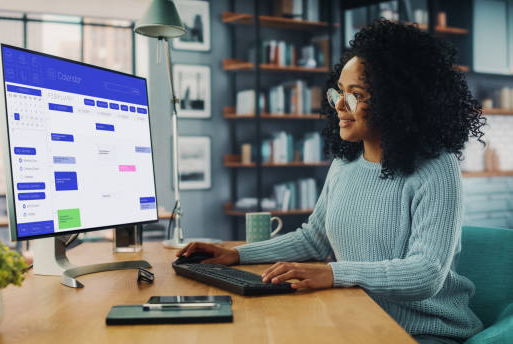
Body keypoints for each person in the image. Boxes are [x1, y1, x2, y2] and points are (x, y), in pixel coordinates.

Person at [177, 20, 486, 343]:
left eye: (356, 95)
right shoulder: (345, 161)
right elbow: (314, 239)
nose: (339, 105)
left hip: (425, 332)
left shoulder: (437, 168)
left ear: (398, 102)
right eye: (339, 91)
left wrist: (333, 273)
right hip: (359, 319)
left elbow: (425, 274)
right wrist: (237, 254)